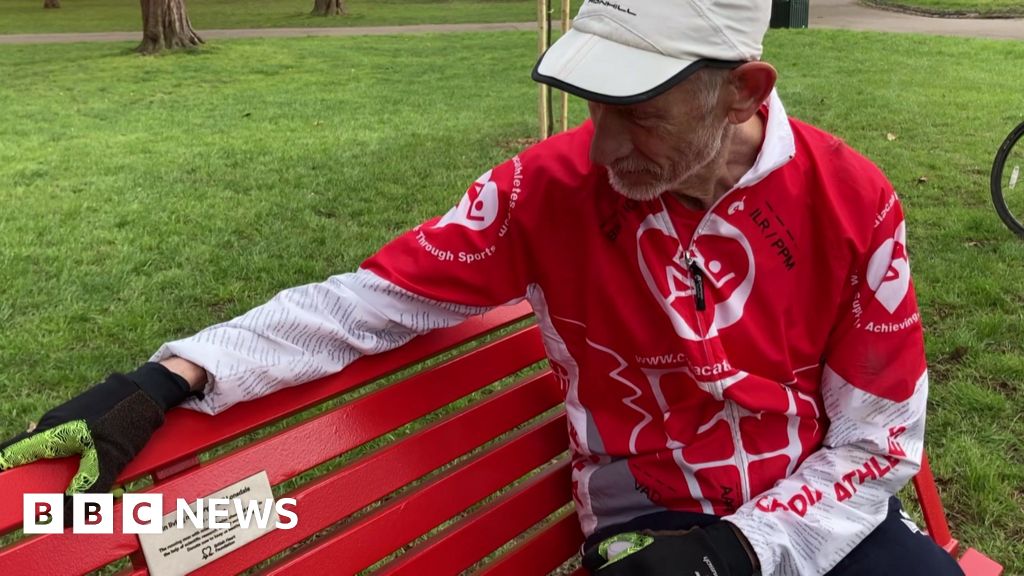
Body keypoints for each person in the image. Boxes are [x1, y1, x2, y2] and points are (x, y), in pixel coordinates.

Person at [0, 1, 965, 575]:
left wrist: (749, 549)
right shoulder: (546, 190)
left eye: (641, 115)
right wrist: (174, 375)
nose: (604, 145)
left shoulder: (853, 202)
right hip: (654, 526)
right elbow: (363, 303)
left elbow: (878, 440)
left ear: (745, 91)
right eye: (594, 107)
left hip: (813, 513)